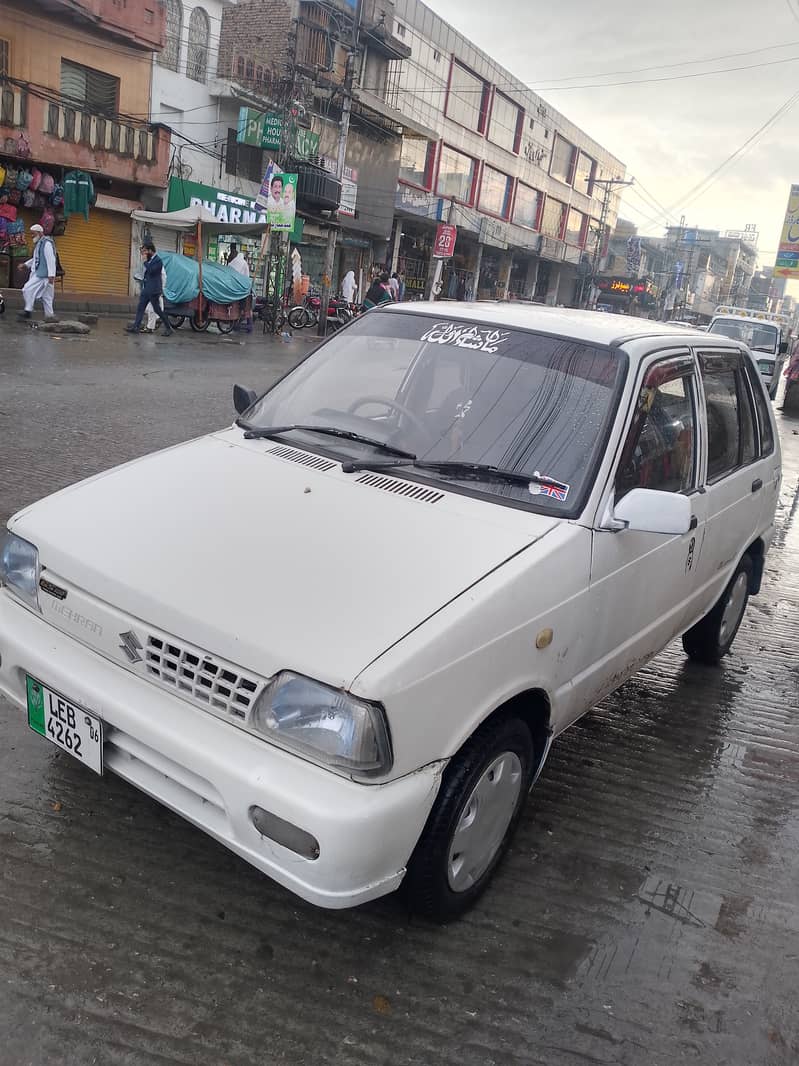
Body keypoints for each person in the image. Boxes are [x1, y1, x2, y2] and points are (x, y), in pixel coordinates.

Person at [126, 243, 173, 336]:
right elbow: (145, 273)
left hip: (154, 290)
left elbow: (152, 271)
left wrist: (145, 262)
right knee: (140, 308)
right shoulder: (149, 260)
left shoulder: (158, 261)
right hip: (147, 288)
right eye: (142, 251)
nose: (143, 253)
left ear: (150, 251)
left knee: (157, 310)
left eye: (145, 251)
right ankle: (136, 327)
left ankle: (168, 327)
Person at [18, 224, 57, 322]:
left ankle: (28, 310)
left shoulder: (46, 244)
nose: (31, 235)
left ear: (40, 233)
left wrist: (51, 275)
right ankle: (50, 317)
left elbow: (51, 259)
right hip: (42, 274)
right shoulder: (39, 244)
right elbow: (36, 258)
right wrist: (26, 265)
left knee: (27, 289)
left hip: (43, 275)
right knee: (47, 298)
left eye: (33, 233)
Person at [226, 244, 253, 333]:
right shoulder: (243, 263)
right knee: (245, 306)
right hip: (242, 287)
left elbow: (228, 269)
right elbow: (246, 276)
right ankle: (243, 323)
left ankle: (236, 323)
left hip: (231, 285)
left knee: (236, 304)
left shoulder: (233, 261)